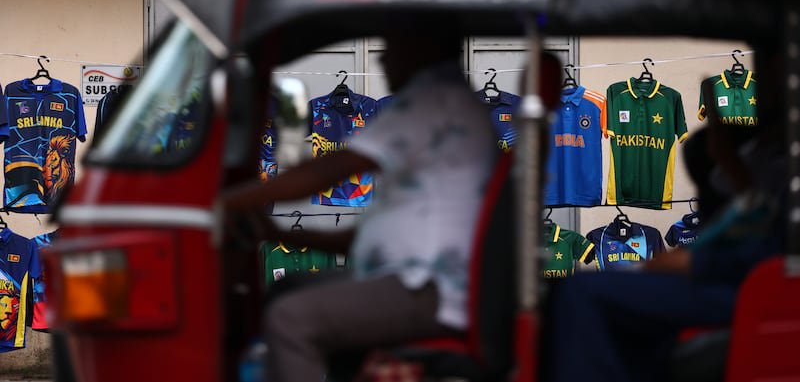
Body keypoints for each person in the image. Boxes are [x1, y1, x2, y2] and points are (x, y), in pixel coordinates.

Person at [222, 27, 497, 382]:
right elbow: (359, 239)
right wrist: (278, 233)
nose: (381, 58)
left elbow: (324, 172)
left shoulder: (433, 100)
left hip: (428, 289)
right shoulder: (444, 103)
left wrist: (223, 201)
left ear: (422, 44)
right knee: (286, 288)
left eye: (391, 44)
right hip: (418, 282)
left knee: (290, 319)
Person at [541, 45, 787, 382]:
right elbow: (753, 209)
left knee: (579, 292)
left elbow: (776, 244)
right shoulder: (767, 151)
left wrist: (693, 263)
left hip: (747, 283)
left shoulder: (784, 161)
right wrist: (725, 155)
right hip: (730, 272)